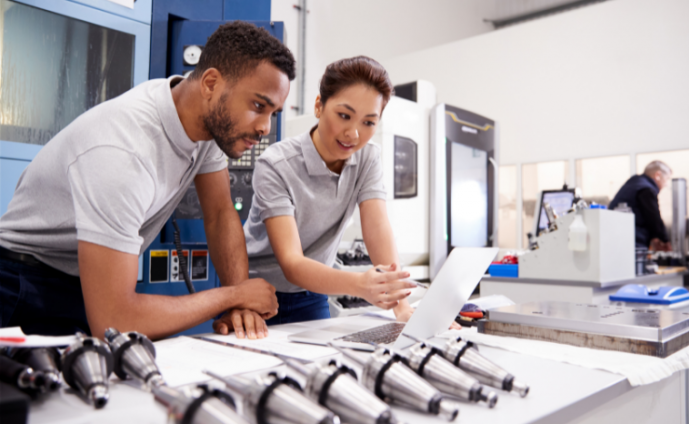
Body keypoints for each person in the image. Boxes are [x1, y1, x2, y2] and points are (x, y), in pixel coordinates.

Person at [0, 22, 294, 340]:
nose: (265, 127)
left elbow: (221, 213)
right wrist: (233, 297)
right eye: (258, 106)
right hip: (22, 286)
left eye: (273, 113)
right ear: (211, 83)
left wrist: (241, 305)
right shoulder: (123, 150)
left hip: (81, 282)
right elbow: (114, 321)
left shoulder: (205, 124)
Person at [219, 56, 459, 333]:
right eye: (344, 116)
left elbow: (377, 227)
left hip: (313, 294)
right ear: (319, 106)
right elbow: (292, 263)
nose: (353, 134)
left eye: (369, 122)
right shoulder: (276, 164)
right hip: (258, 295)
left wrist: (402, 308)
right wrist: (359, 284)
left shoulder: (368, 159)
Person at [609, 160, 672, 251]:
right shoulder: (646, 189)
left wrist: (655, 237)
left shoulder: (634, 183)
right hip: (633, 240)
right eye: (666, 179)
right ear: (657, 175)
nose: (666, 184)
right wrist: (664, 240)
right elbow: (653, 216)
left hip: (617, 237)